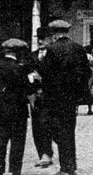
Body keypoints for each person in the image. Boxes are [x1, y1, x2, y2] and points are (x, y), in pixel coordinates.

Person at [39, 19, 91, 175]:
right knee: (69, 131)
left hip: (55, 98)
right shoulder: (78, 48)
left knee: (59, 131)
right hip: (72, 99)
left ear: (55, 34)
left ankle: (65, 168)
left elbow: (45, 75)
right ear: (66, 32)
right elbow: (86, 73)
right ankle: (71, 165)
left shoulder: (51, 49)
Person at [0, 39, 32, 175]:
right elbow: (29, 90)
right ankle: (15, 171)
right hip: (18, 112)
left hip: (1, 110)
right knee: (17, 144)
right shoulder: (20, 69)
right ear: (19, 52)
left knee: (1, 142)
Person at [29, 27, 54, 169]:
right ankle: (42, 154)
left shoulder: (53, 56)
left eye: (43, 38)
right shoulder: (32, 56)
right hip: (34, 97)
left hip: (49, 96)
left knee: (46, 125)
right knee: (36, 126)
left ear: (50, 39)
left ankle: (47, 153)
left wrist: (42, 78)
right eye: (39, 38)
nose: (40, 41)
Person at [81, 46, 93, 116]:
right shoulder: (91, 57)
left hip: (82, 76)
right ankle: (89, 109)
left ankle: (76, 108)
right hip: (90, 76)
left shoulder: (81, 56)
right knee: (90, 93)